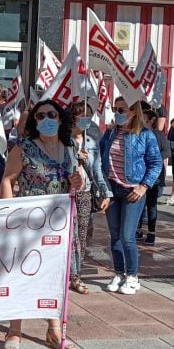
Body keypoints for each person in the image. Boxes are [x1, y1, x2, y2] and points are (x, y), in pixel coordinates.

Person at [0, 99, 84, 349]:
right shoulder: (23, 148)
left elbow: (73, 181)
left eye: (52, 114)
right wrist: (9, 214)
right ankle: (14, 329)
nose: (47, 119)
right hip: (29, 221)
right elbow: (7, 180)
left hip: (61, 221)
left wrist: (77, 180)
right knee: (24, 272)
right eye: (40, 115)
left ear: (60, 119)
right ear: (34, 121)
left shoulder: (69, 147)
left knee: (55, 275)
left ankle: (54, 330)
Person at [99, 97, 162, 295]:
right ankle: (119, 273)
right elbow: (100, 157)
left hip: (133, 190)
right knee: (115, 235)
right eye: (115, 109)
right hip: (113, 190)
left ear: (134, 112)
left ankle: (133, 276)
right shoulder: (110, 133)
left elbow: (156, 163)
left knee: (128, 236)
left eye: (122, 109)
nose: (117, 112)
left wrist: (143, 186)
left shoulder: (145, 135)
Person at [70, 100, 112, 292]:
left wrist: (105, 191)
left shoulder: (93, 136)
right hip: (64, 193)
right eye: (81, 115)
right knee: (65, 235)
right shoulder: (61, 137)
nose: (85, 119)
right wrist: (75, 157)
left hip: (85, 193)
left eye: (88, 115)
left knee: (81, 235)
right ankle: (61, 273)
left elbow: (97, 167)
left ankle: (76, 276)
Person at [137, 104, 170, 246]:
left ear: (151, 121)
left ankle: (151, 233)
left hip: (154, 177)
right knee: (138, 203)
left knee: (151, 205)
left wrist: (152, 156)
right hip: (139, 176)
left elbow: (167, 152)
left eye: (144, 119)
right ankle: (138, 230)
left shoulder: (159, 135)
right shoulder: (137, 133)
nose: (141, 121)